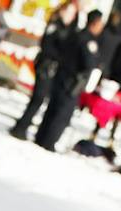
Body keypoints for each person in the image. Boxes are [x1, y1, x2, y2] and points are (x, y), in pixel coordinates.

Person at [33, 9, 107, 151]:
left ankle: (41, 137)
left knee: (52, 108)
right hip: (72, 82)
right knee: (61, 114)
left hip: (61, 76)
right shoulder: (88, 41)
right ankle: (48, 142)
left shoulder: (75, 34)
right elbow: (89, 63)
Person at [8, 0, 82, 138]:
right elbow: (47, 46)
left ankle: (24, 125)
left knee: (41, 99)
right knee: (38, 97)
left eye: (73, 13)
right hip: (46, 66)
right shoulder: (55, 25)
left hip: (56, 68)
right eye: (68, 12)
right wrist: (60, 56)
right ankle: (21, 126)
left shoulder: (71, 30)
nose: (69, 15)